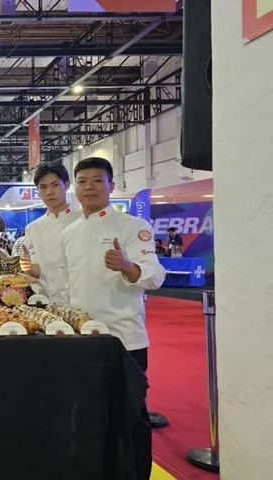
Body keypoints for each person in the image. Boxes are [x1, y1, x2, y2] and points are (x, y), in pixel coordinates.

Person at [61, 157, 165, 480]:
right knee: (89, 416)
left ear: (111, 185)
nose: (89, 187)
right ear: (75, 188)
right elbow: (70, 286)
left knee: (131, 417)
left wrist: (126, 266)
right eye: (82, 181)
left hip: (123, 339)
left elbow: (155, 276)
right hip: (82, 339)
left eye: (97, 180)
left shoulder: (133, 227)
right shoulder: (70, 232)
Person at [23, 161, 81, 304]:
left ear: (67, 185)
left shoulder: (82, 219)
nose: (49, 192)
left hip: (81, 301)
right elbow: (38, 271)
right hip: (47, 302)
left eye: (55, 185)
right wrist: (26, 266)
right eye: (43, 187)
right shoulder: (33, 228)